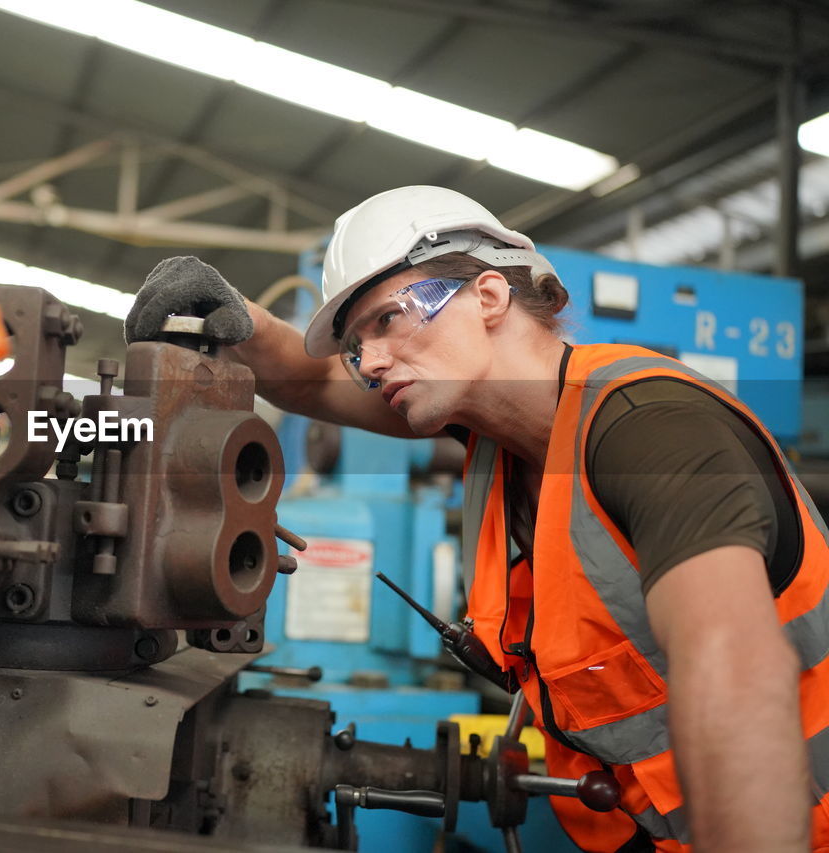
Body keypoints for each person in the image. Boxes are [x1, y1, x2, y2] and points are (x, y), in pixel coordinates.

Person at [125, 186, 829, 852]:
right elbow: (309, 378)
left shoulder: (650, 431)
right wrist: (234, 317)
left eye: (387, 320)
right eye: (356, 345)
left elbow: (733, 674)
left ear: (489, 293)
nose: (369, 360)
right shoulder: (495, 441)